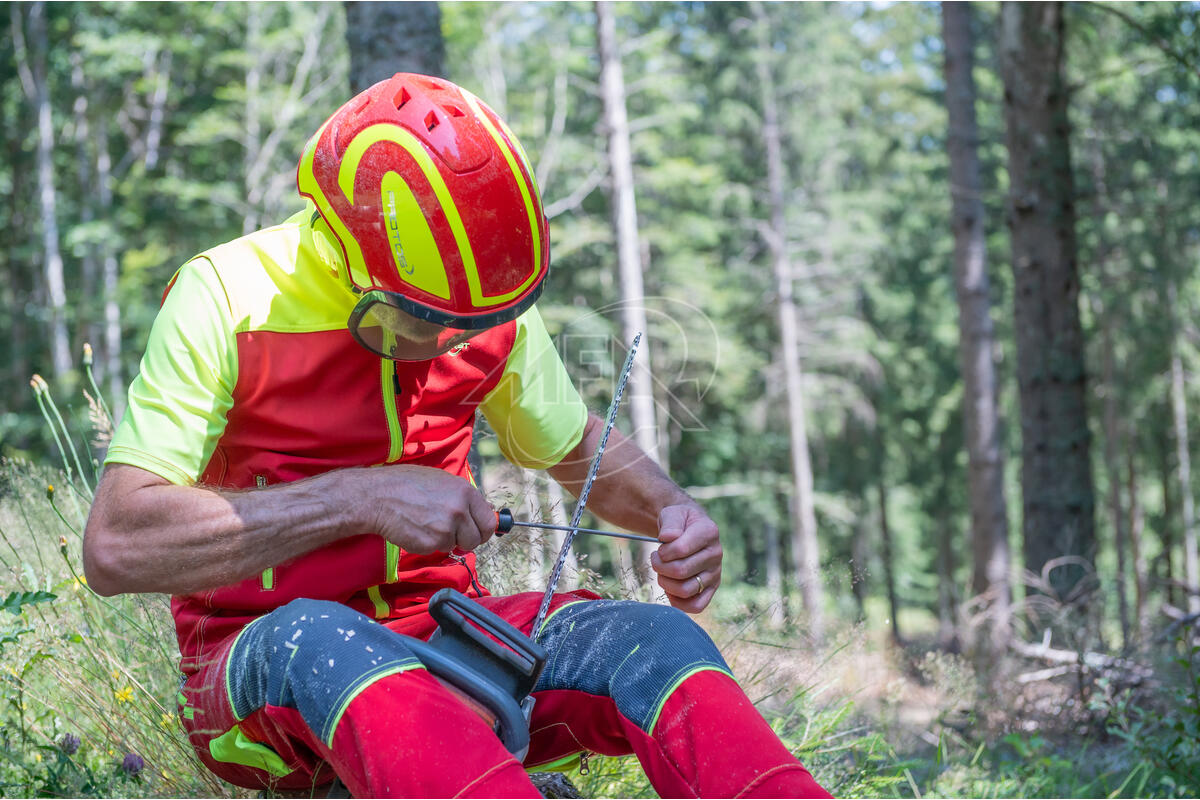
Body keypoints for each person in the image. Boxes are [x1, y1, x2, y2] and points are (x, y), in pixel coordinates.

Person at [82, 73, 830, 799]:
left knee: (658, 646)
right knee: (325, 642)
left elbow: (577, 447)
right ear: (348, 254)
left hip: (449, 643)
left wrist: (672, 510)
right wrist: (360, 497)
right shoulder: (227, 295)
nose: (449, 344)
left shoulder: (477, 302)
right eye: (420, 322)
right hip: (259, 667)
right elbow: (117, 546)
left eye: (467, 327)